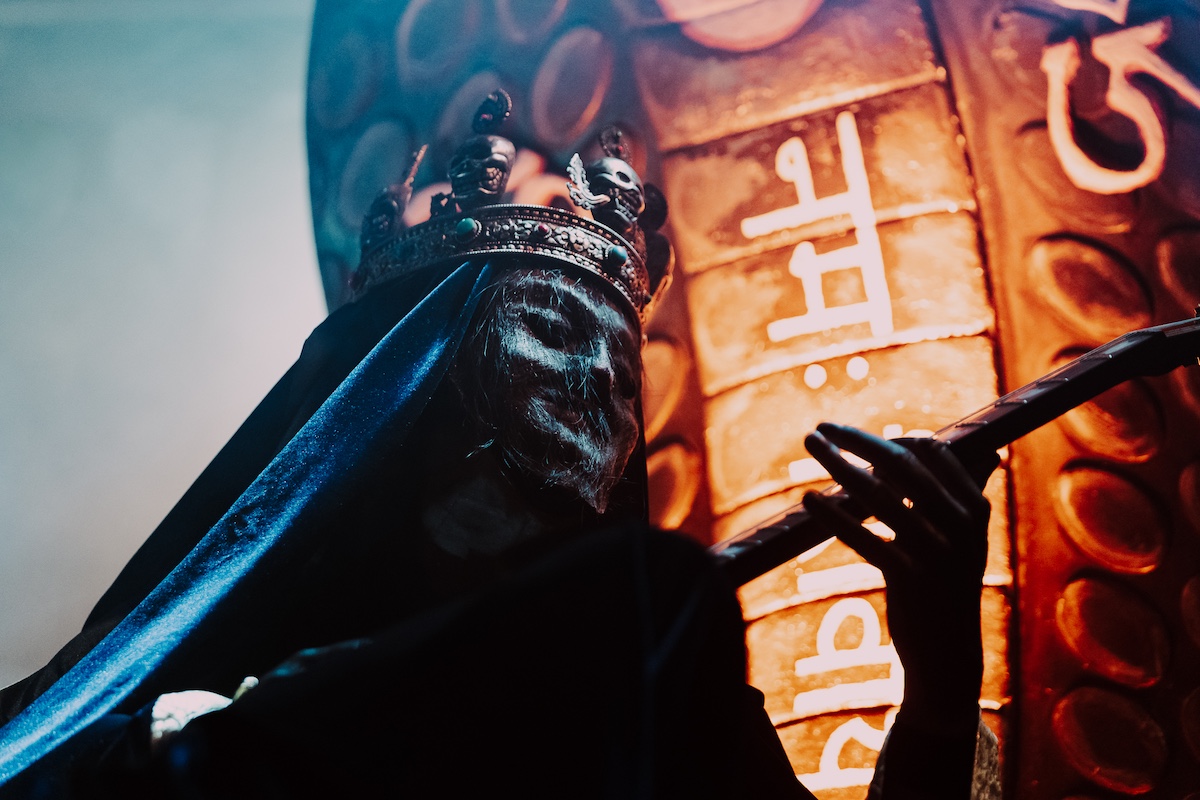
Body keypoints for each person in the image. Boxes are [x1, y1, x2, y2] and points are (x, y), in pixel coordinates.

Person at [0, 94, 998, 799]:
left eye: (621, 373)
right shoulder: (171, 706)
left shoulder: (654, 672)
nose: (595, 383)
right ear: (415, 385)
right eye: (554, 333)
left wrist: (942, 695)